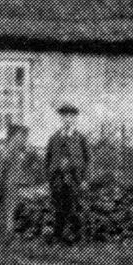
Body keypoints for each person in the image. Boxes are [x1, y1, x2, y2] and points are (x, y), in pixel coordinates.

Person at [45, 103, 90, 244]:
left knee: (74, 207)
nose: (67, 119)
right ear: (61, 118)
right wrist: (49, 179)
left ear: (75, 119)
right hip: (57, 178)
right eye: (64, 116)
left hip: (74, 178)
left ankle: (76, 238)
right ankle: (58, 237)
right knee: (58, 207)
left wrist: (85, 180)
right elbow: (47, 159)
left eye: (70, 117)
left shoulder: (80, 138)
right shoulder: (54, 138)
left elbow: (89, 160)